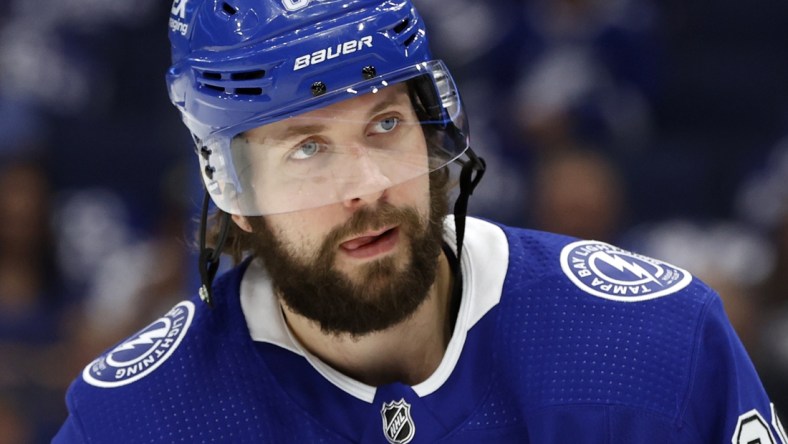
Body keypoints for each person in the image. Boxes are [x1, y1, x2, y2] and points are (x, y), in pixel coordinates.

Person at [53, 0, 784, 442]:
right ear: (229, 186)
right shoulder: (136, 422)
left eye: (384, 126)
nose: (367, 187)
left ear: (435, 127)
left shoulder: (655, 342)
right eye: (308, 149)